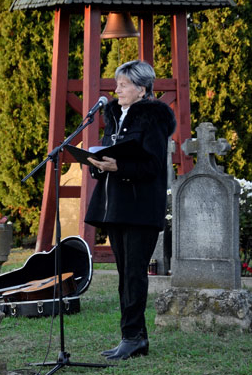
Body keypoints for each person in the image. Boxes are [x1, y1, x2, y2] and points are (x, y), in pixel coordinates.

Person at [84, 60, 176, 360]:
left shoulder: (154, 118)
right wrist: (97, 164)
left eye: (123, 84)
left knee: (135, 275)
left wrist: (119, 165)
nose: (117, 89)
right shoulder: (114, 114)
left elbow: (152, 165)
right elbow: (109, 152)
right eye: (117, 83)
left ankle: (132, 337)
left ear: (142, 88)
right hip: (115, 206)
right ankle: (137, 338)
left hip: (140, 207)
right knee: (124, 274)